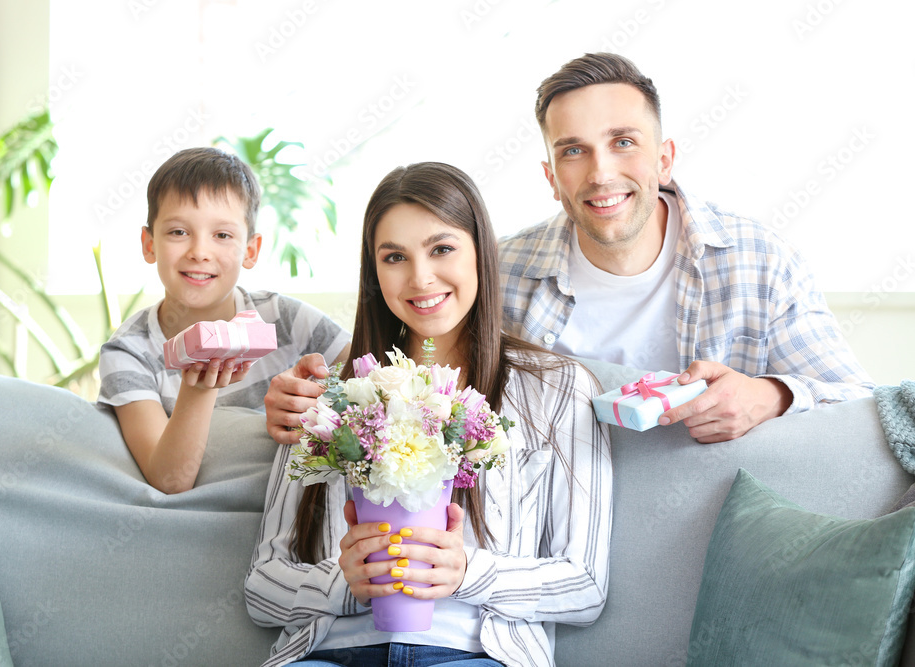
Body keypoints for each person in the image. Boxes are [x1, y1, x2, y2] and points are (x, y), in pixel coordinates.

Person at [245, 162, 612, 667]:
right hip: (331, 654)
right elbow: (262, 587)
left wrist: (467, 574)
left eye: (442, 248)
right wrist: (344, 583)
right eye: (394, 257)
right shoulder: (327, 394)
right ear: (374, 272)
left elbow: (586, 586)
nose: (420, 278)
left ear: (481, 253)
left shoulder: (558, 389)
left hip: (477, 656)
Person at [499, 52, 874, 443]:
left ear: (664, 160)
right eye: (573, 151)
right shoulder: (499, 272)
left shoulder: (763, 264)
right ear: (552, 178)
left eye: (623, 142)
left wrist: (771, 395)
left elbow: (863, 407)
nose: (601, 174)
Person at [97, 147, 350, 494]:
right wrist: (197, 390)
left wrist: (324, 394)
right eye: (178, 232)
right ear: (149, 243)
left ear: (250, 250)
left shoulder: (287, 320)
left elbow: (375, 387)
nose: (199, 251)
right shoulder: (128, 353)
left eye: (222, 235)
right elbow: (170, 481)